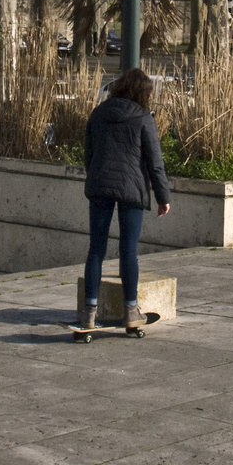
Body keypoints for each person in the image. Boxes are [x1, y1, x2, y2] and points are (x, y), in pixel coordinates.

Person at [81, 68, 172, 331]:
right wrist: (163, 196)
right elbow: (155, 162)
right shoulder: (144, 118)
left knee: (96, 249)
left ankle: (89, 313)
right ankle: (131, 310)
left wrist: (96, 177)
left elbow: (89, 152)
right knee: (128, 250)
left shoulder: (98, 113)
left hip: (100, 186)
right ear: (144, 93)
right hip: (132, 188)